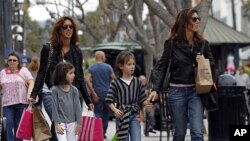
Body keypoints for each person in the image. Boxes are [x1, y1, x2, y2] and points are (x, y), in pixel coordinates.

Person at [147, 8, 215, 141]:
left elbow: (212, 64)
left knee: (197, 131)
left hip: (196, 91)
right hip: (176, 92)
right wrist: (155, 89)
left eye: (198, 19)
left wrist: (203, 61)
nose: (197, 22)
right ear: (184, 23)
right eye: (194, 19)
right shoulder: (172, 44)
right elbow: (162, 66)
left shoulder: (202, 44)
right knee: (179, 133)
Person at [28, 16, 94, 141]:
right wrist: (34, 94)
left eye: (71, 27)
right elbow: (41, 73)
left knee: (70, 127)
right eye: (65, 27)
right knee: (57, 121)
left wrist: (88, 100)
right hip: (50, 92)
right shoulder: (48, 49)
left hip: (72, 94)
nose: (68, 29)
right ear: (59, 30)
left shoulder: (77, 51)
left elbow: (79, 76)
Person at [106, 51, 147, 141]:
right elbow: (109, 100)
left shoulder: (138, 82)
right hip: (121, 116)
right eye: (129, 64)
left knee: (136, 139)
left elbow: (142, 99)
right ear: (121, 66)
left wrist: (144, 110)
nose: (132, 67)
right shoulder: (115, 82)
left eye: (133, 64)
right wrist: (115, 110)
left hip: (135, 115)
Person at [0, 52, 34, 141]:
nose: (12, 62)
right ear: (7, 62)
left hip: (22, 102)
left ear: (18, 62)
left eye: (14, 60)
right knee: (9, 123)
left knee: (19, 127)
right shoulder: (2, 72)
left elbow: (31, 82)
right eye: (10, 60)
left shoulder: (24, 70)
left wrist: (29, 94)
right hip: (7, 104)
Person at [85, 50, 116, 138]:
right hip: (108, 92)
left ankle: (98, 131)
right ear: (102, 57)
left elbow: (87, 79)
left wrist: (92, 92)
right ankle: (103, 132)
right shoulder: (108, 67)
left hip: (97, 92)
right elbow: (114, 79)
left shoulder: (92, 67)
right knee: (106, 113)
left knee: (97, 112)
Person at [51, 62, 82, 141]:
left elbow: (78, 108)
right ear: (62, 74)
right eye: (71, 73)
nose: (73, 75)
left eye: (73, 73)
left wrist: (79, 123)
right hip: (60, 124)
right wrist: (56, 124)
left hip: (73, 124)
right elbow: (54, 108)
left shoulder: (74, 90)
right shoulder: (55, 90)